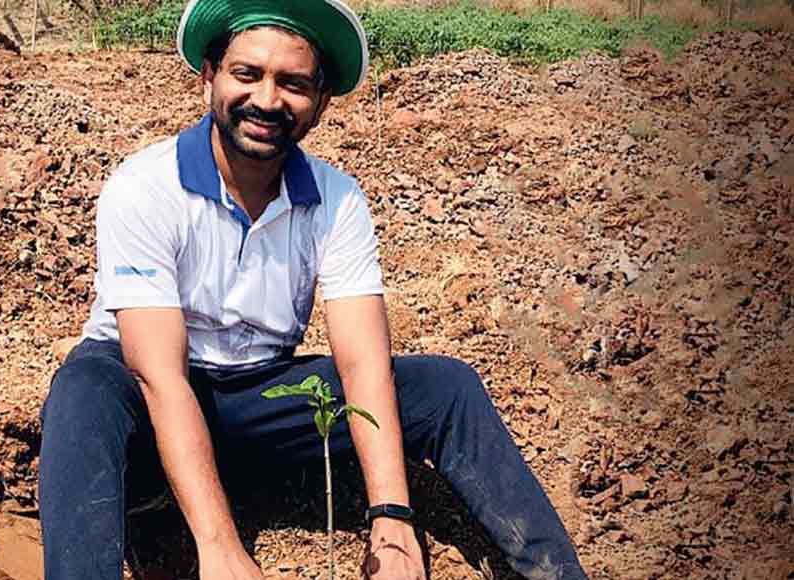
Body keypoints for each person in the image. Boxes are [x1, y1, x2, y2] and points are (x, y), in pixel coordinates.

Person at [38, 1, 590, 578]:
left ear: (321, 103)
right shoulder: (147, 187)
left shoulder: (337, 200)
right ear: (210, 76)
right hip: (151, 406)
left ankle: (553, 570)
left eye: (293, 83)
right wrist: (221, 549)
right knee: (84, 390)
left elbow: (362, 362)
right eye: (247, 74)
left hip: (262, 401)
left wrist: (393, 518)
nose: (268, 100)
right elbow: (160, 374)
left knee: (445, 388)